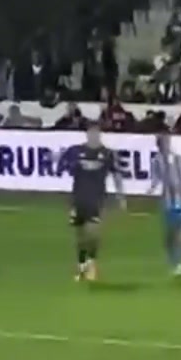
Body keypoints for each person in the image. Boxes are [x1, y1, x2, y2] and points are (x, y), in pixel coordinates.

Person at [60, 121, 126, 282]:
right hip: (78, 198)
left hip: (97, 198)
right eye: (91, 133)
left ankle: (91, 264)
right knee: (80, 235)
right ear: (87, 134)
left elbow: (117, 175)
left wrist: (121, 196)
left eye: (96, 133)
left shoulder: (107, 154)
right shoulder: (76, 151)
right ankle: (81, 265)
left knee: (93, 232)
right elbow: (63, 167)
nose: (94, 136)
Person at [150, 132, 181, 277]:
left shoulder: (179, 158)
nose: (166, 144)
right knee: (170, 236)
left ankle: (178, 262)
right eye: (163, 142)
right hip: (167, 201)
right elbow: (156, 178)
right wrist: (152, 188)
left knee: (177, 231)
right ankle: (176, 257)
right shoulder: (156, 160)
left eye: (167, 141)